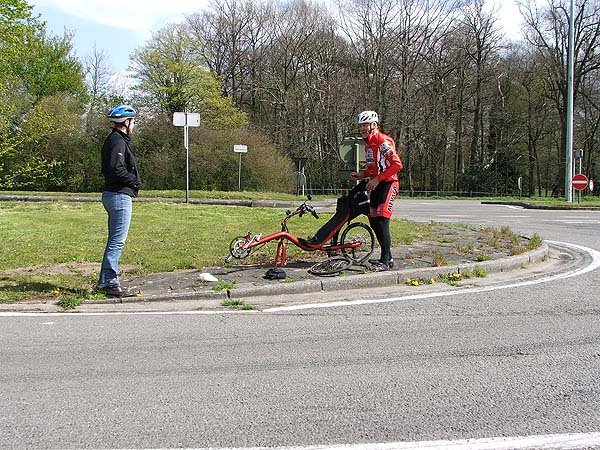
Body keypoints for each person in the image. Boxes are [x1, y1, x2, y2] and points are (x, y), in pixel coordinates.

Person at [350, 110, 403, 270]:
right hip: (377, 184)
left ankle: (385, 262)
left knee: (382, 221)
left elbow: (397, 165)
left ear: (374, 125)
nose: (363, 129)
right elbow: (374, 169)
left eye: (365, 125)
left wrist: (378, 179)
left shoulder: (382, 141)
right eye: (360, 126)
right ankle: (387, 257)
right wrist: (361, 174)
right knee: (373, 220)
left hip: (388, 184)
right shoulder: (368, 145)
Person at [97, 104, 141, 297]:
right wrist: (135, 182)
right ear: (126, 122)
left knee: (114, 240)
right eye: (134, 122)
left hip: (113, 194)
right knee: (117, 241)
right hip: (119, 195)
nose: (135, 125)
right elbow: (116, 168)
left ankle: (105, 280)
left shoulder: (115, 140)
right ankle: (110, 283)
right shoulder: (117, 141)